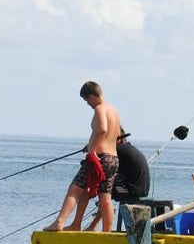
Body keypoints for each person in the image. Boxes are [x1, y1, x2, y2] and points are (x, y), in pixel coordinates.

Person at [47, 81, 123, 232]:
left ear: (93, 96)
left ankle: (59, 223)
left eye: (87, 100)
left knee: (74, 189)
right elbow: (117, 136)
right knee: (105, 196)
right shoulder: (114, 111)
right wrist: (91, 145)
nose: (88, 104)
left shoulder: (100, 109)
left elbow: (102, 129)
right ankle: (106, 231)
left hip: (99, 158)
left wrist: (92, 150)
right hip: (113, 159)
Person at [112, 130, 150, 203]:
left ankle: (103, 212)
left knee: (105, 187)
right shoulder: (129, 149)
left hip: (132, 192)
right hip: (141, 191)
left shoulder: (119, 149)